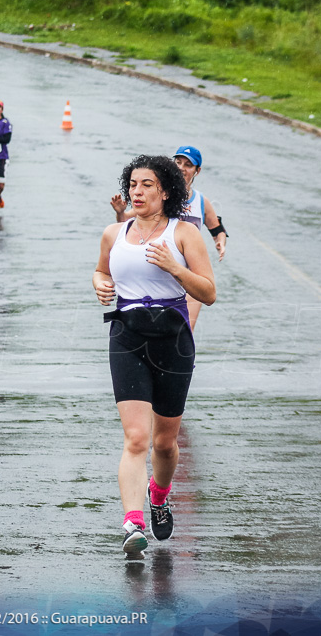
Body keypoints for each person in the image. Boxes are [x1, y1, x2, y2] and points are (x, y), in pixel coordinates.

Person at [93, 155, 216, 559]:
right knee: (136, 438)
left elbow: (208, 293)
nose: (137, 191)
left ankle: (159, 495)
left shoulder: (185, 234)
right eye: (133, 184)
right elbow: (101, 271)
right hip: (127, 335)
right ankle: (133, 522)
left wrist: (175, 269)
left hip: (173, 339)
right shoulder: (114, 233)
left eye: (147, 185)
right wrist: (100, 285)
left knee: (165, 443)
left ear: (165, 191)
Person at [110, 145, 227, 331]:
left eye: (188, 165)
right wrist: (120, 213)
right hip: (161, 273)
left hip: (190, 273)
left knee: (185, 329)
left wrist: (220, 241)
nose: (182, 167)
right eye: (178, 162)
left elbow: (217, 228)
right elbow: (125, 224)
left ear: (197, 171)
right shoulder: (151, 199)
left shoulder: (200, 201)